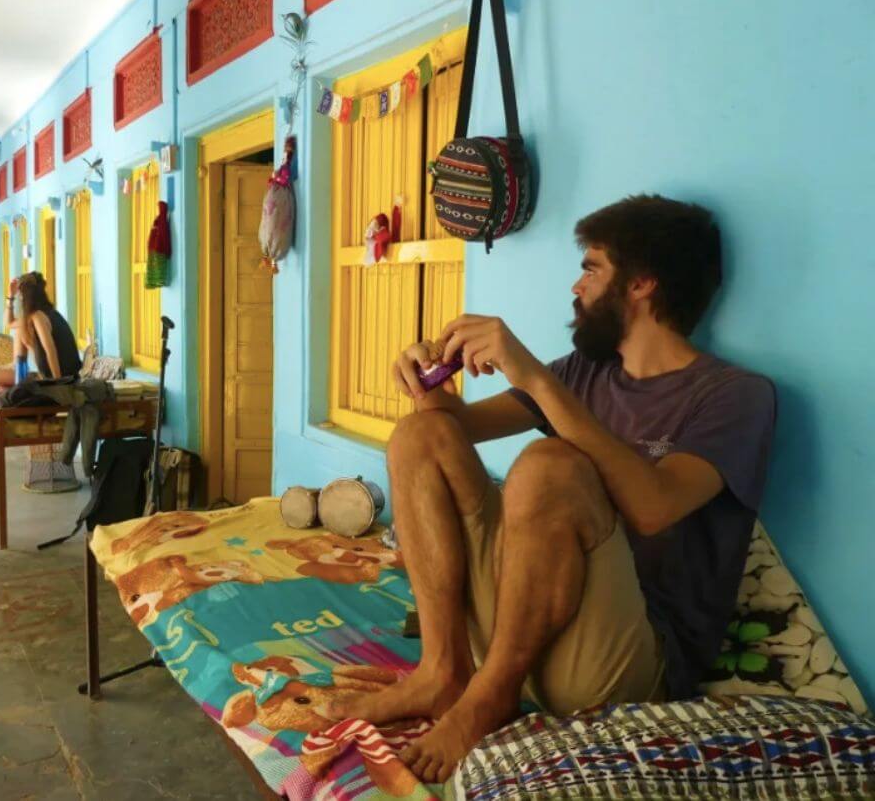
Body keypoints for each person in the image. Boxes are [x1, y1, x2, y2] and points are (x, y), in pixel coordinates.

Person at [330, 195, 777, 783]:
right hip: (526, 623)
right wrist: (425, 379)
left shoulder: (734, 395)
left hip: (621, 663)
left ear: (642, 283)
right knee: (419, 434)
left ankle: (491, 695)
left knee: (549, 466)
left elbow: (653, 506)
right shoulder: (584, 373)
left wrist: (533, 373)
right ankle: (444, 671)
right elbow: (448, 432)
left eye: (592, 268)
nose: (576, 286)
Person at [0, 271, 82, 393]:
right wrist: (10, 296)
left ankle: (16, 376)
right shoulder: (47, 313)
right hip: (64, 375)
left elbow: (50, 350)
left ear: (25, 295)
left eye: (20, 295)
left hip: (61, 377)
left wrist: (58, 382)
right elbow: (9, 323)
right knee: (21, 328)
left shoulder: (38, 317)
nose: (19, 298)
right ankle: (18, 370)